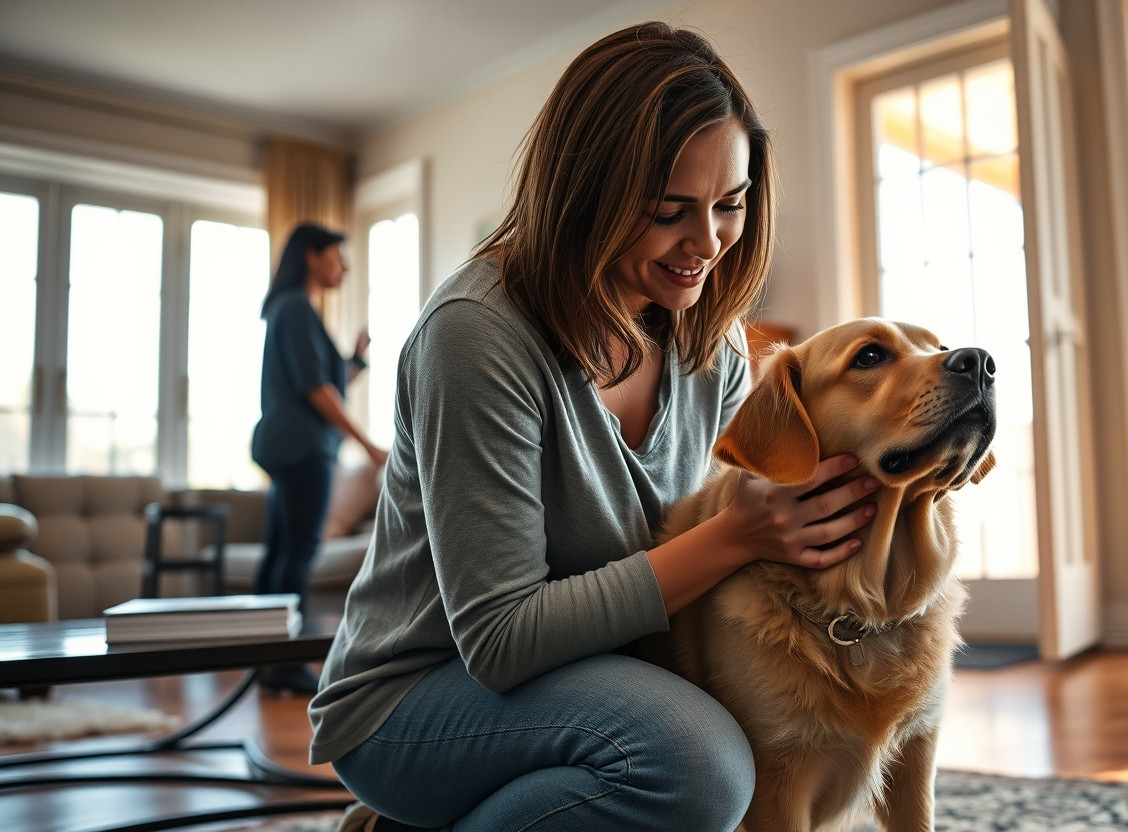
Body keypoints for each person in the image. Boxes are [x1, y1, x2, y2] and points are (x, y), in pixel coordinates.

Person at [309, 23, 881, 832]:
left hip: (588, 675)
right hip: (413, 699)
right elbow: (501, 639)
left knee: (753, 728)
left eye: (731, 204)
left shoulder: (712, 345)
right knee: (696, 762)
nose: (708, 242)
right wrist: (736, 535)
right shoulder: (476, 334)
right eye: (669, 211)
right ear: (588, 194)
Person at [252, 222, 388, 696]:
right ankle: (282, 663)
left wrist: (356, 359)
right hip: (303, 448)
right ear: (311, 256)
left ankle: (263, 658)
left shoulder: (292, 309)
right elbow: (316, 391)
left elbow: (324, 382)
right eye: (337, 257)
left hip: (288, 446)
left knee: (281, 550)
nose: (344, 268)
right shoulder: (295, 308)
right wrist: (368, 444)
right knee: (298, 552)